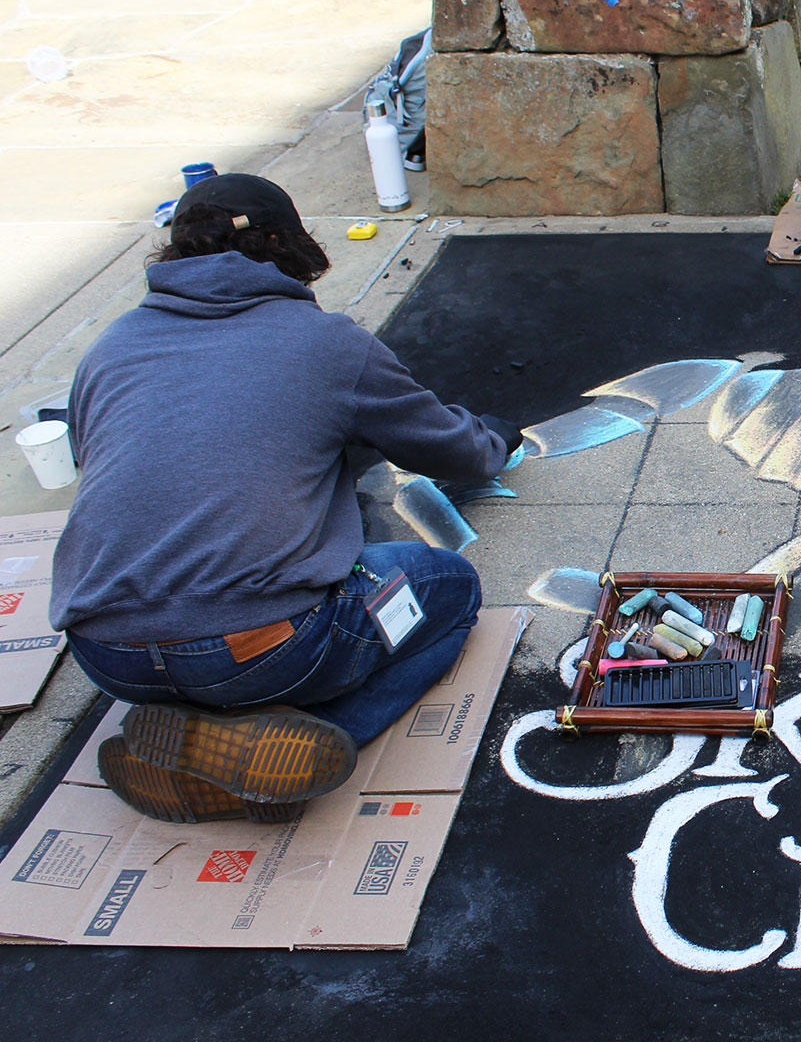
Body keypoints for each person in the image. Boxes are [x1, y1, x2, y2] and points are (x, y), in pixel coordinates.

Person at [49, 173, 520, 823]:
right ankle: (283, 747)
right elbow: (452, 453)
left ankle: (191, 735)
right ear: (285, 246)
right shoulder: (325, 342)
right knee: (449, 590)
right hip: (265, 650)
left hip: (107, 653)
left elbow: (109, 464)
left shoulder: (110, 347)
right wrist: (492, 438)